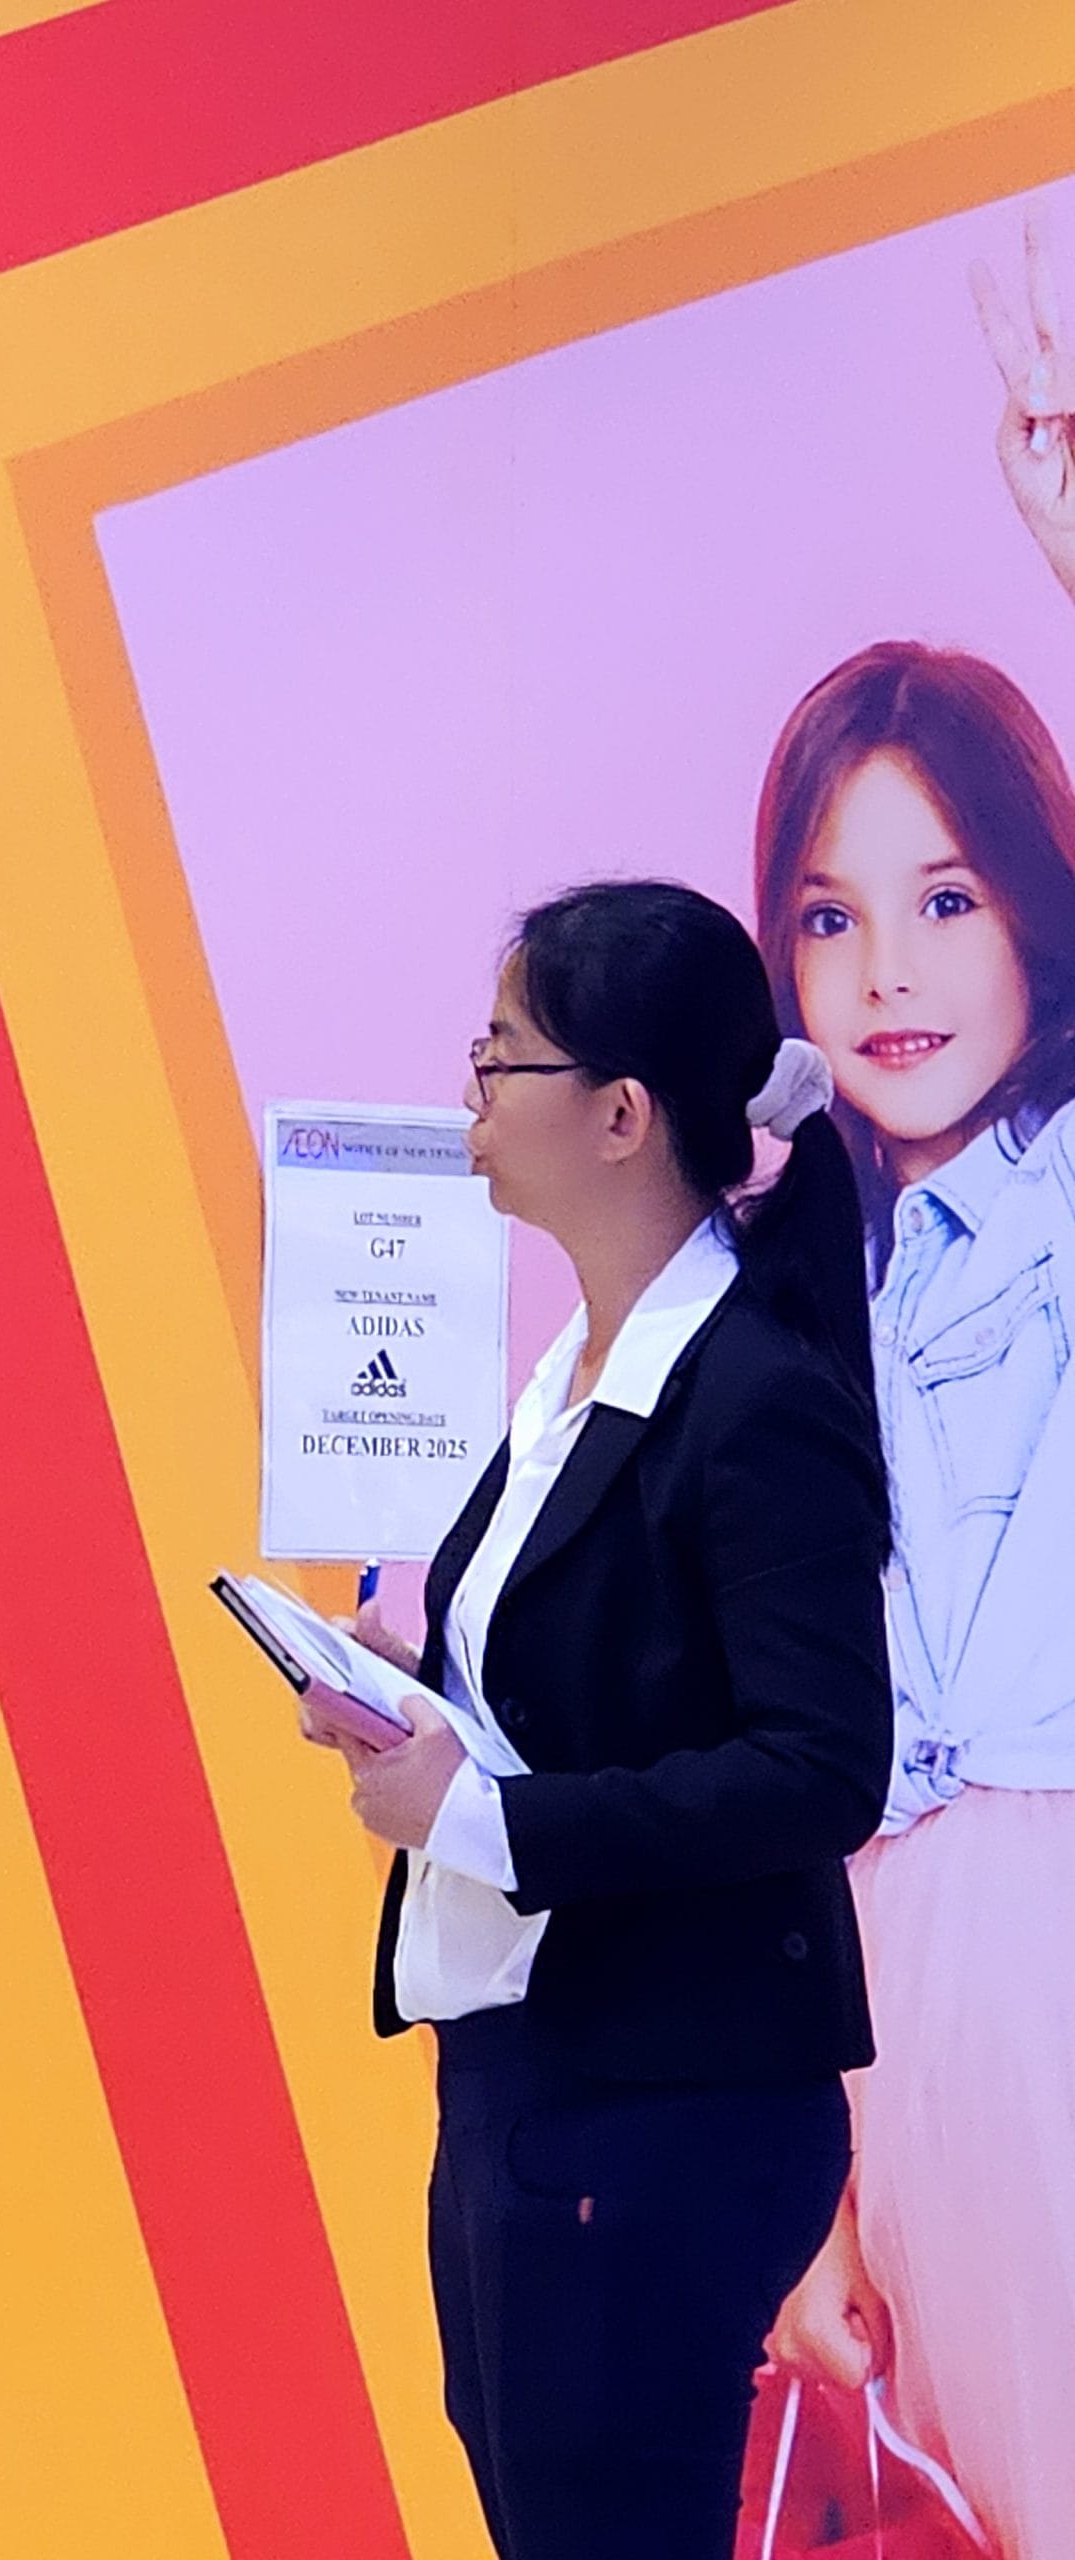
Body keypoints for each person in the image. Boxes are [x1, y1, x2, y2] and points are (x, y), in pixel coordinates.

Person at [301, 880, 892, 2560]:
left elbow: (820, 1767)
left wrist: (486, 1819)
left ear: (622, 1114)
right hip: (530, 2066)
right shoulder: (579, 1366)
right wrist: (409, 1691)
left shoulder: (749, 1394)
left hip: (666, 2095)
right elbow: (591, 1684)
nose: (471, 1093)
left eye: (504, 1058)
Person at [756, 224, 1075, 2560]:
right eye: (834, 911)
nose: (889, 969)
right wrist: (816, 2193)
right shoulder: (771, 1298)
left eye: (948, 897)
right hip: (898, 2020)